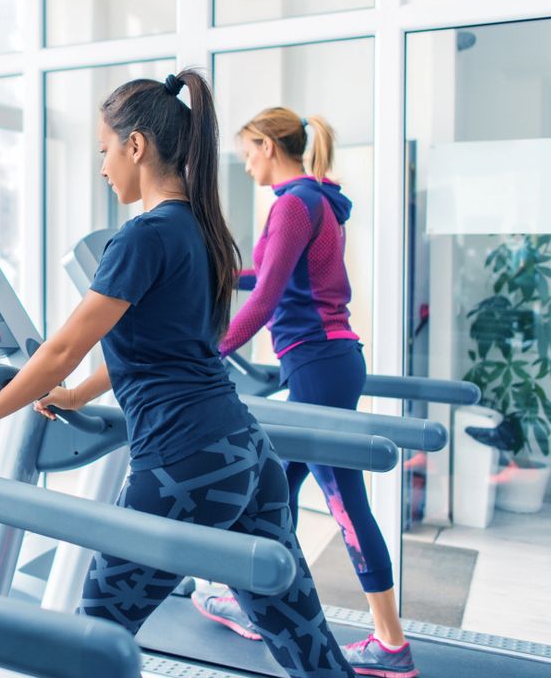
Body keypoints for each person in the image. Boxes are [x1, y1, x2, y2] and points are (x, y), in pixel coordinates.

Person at [0, 71, 356, 678]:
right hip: (246, 456)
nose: (103, 167)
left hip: (180, 466)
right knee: (303, 639)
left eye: (104, 151)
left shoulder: (141, 235)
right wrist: (79, 393)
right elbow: (164, 345)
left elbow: (63, 346)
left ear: (135, 146)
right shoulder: (202, 229)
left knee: (94, 641)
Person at [191, 106, 418, 678]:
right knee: (274, 491)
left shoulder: (294, 204)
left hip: (319, 365)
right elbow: (262, 275)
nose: (245, 165)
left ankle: (391, 644)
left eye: (247, 152)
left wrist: (207, 350)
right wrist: (204, 271)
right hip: (323, 364)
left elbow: (265, 301)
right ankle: (262, 605)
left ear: (269, 146)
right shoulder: (310, 200)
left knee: (343, 500)